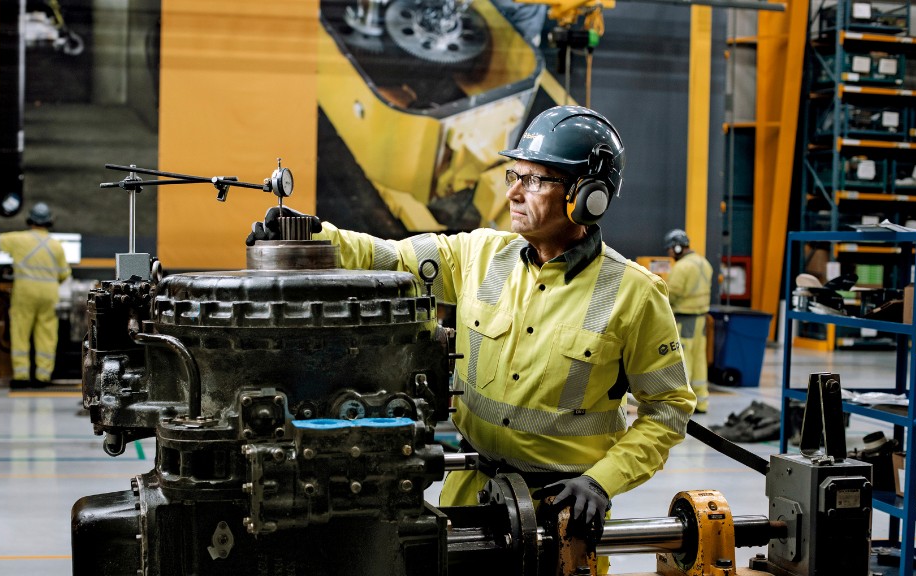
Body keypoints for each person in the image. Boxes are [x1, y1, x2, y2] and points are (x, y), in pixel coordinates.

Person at [248, 106, 695, 571]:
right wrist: (315, 235)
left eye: (535, 180)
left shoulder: (634, 295)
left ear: (586, 197)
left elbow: (667, 409)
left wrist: (602, 481)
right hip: (468, 493)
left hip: (561, 512)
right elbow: (389, 257)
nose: (515, 193)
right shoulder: (478, 256)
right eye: (513, 175)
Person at [0, 202, 71, 389]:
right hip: (49, 293)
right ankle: (42, 377)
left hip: (25, 291)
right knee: (47, 334)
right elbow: (64, 274)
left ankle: (21, 376)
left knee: (20, 332)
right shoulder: (56, 246)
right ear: (49, 221)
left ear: (29, 220)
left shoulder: (18, 239)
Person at [663, 229, 713, 413]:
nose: (669, 253)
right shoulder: (704, 263)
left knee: (683, 362)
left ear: (677, 247)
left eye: (670, 249)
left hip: (684, 321)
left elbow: (671, 293)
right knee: (699, 361)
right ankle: (701, 402)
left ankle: (683, 405)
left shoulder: (682, 267)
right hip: (701, 320)